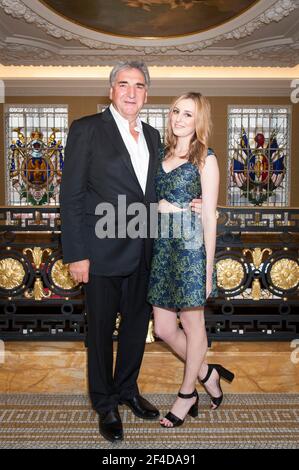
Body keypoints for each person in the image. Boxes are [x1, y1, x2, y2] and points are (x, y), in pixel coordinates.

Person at [59, 61, 203, 442]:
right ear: (111, 91)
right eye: (123, 85)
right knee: (102, 333)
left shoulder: (156, 136)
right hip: (100, 252)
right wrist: (76, 254)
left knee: (138, 329)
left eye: (138, 86)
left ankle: (127, 390)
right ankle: (105, 403)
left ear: (146, 95)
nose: (130, 92)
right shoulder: (87, 130)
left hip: (146, 252)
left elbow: (160, 190)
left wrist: (196, 202)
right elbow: (70, 196)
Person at [147, 92, 234, 428]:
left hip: (190, 249)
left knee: (193, 324)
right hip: (162, 248)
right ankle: (208, 372)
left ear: (199, 120)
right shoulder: (159, 154)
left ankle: (187, 393)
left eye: (188, 114)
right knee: (165, 328)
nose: (179, 119)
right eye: (175, 111)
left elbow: (209, 217)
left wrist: (208, 268)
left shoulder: (205, 158)